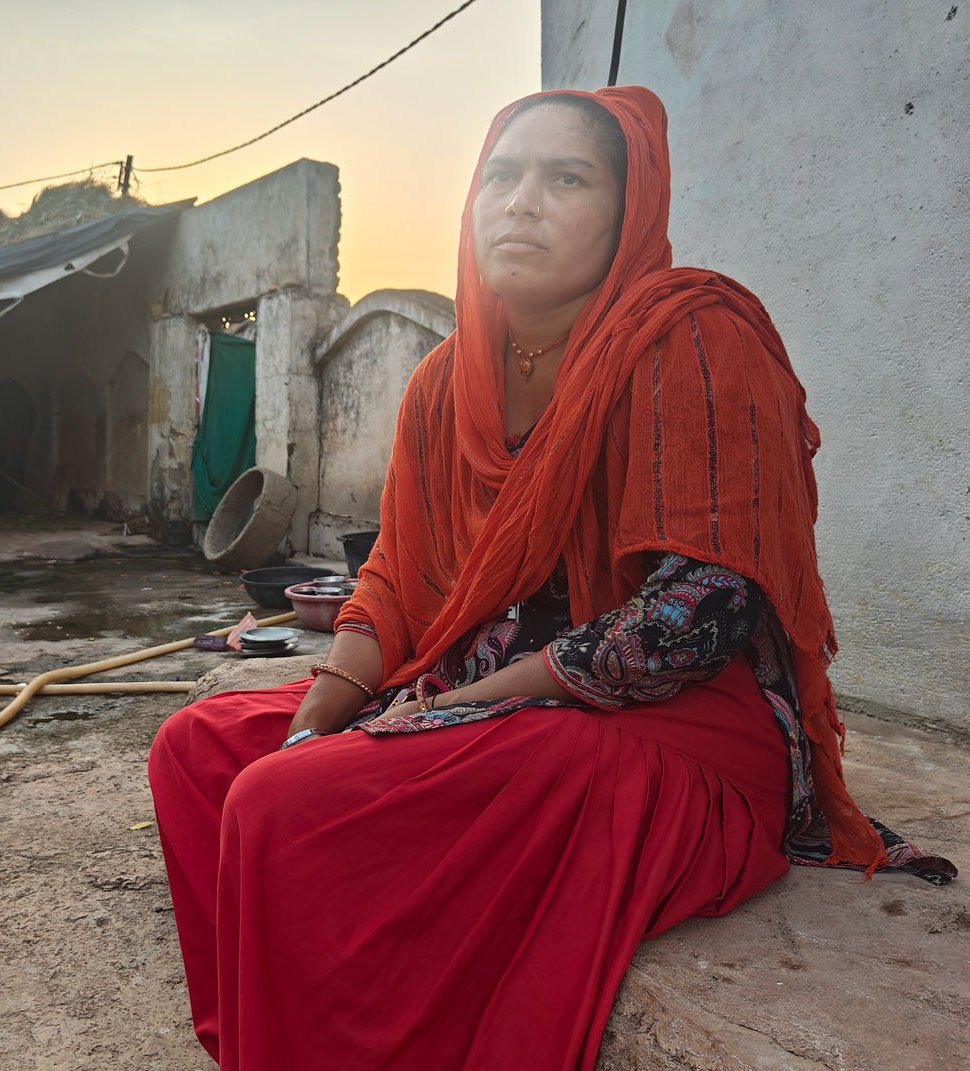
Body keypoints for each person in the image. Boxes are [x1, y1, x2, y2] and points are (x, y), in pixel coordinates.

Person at [147, 86, 954, 1071]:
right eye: (500, 175)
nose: (519, 203)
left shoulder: (691, 336)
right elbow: (396, 580)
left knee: (281, 806)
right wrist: (323, 716)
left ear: (627, 208)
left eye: (564, 177)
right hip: (477, 698)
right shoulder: (444, 384)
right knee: (202, 753)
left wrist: (450, 714)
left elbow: (698, 614)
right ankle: (275, 1045)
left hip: (662, 730)